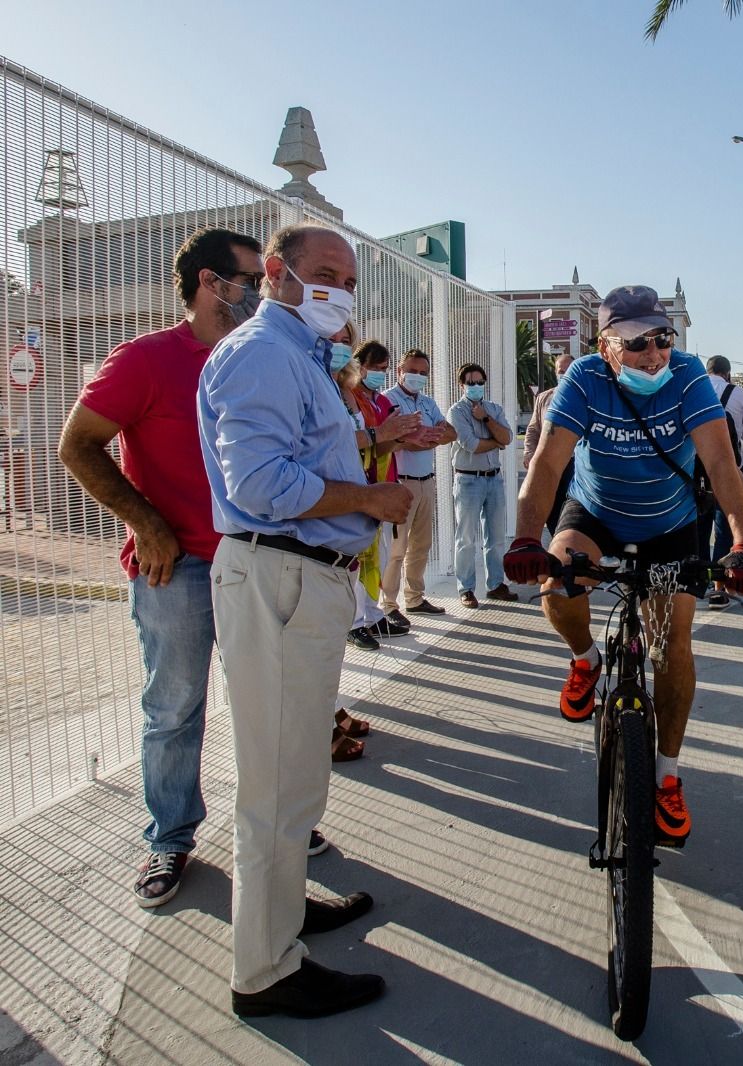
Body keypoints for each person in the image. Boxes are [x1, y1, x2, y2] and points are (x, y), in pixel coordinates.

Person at [199, 223, 412, 1017]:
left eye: (349, 281)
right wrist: (370, 497)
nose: (341, 293)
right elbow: (259, 483)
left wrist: (369, 450)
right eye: (326, 273)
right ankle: (265, 971)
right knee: (279, 784)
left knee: (295, 773)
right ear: (277, 272)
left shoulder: (301, 356)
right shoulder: (263, 352)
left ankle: (280, 914)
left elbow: (306, 453)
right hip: (280, 574)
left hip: (299, 577)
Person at [503, 285, 743, 847]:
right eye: (636, 342)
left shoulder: (689, 375)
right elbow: (547, 464)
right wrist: (527, 539)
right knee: (558, 585)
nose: (654, 353)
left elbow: (722, 464)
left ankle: (667, 776)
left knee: (672, 646)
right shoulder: (583, 379)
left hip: (670, 524)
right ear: (605, 345)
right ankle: (585, 659)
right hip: (596, 513)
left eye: (662, 338)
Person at [57, 227, 262, 908]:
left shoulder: (258, 360)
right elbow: (78, 445)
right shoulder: (145, 360)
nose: (259, 294)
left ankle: (275, 828)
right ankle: (170, 837)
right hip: (179, 572)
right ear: (210, 283)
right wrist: (145, 524)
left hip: (256, 563)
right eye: (250, 280)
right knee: (174, 710)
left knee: (264, 705)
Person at [345, 340, 421, 647]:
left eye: (384, 368)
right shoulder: (349, 397)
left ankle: (372, 615)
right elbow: (353, 440)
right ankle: (354, 623)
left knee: (379, 555)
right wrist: (385, 434)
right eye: (375, 368)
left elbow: (383, 444)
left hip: (382, 484)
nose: (380, 373)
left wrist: (405, 435)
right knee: (357, 558)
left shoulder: (378, 401)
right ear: (359, 365)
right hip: (358, 487)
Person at [380, 348, 457, 622]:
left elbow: (450, 432)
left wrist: (426, 437)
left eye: (423, 372)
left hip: (426, 481)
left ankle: (414, 598)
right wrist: (420, 438)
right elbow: (395, 441)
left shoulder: (427, 402)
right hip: (401, 482)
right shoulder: (388, 400)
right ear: (399, 371)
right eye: (412, 371)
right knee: (396, 549)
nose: (417, 376)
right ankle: (389, 605)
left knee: (421, 544)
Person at [448, 363, 516, 608]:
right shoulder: (456, 412)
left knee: (496, 537)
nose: (476, 386)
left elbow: (507, 437)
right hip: (468, 480)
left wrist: (486, 419)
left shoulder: (493, 409)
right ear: (461, 385)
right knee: (466, 538)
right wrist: (496, 442)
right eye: (470, 383)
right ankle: (466, 588)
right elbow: (471, 444)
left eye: (479, 382)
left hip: (494, 479)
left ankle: (495, 584)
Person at [698, 354, 743, 608]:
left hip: (696, 474)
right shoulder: (739, 393)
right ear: (728, 373)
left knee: (699, 530)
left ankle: (697, 583)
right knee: (724, 531)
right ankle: (718, 589)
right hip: (730, 471)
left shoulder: (694, 390)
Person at [522, 352, 576, 538]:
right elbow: (533, 429)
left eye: (568, 370)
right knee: (551, 508)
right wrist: (529, 453)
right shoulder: (544, 398)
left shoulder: (584, 396)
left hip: (575, 464)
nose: (564, 374)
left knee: (573, 507)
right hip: (550, 463)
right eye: (561, 371)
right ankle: (557, 542)